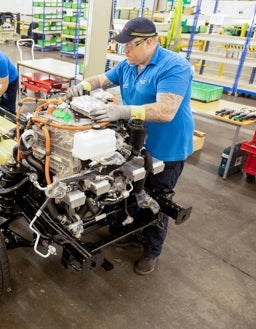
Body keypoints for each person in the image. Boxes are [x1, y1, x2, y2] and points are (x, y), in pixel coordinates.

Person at [66, 17, 195, 275]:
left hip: (166, 147)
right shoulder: (129, 64)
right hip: (135, 144)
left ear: (149, 42)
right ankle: (129, 231)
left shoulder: (174, 66)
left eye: (129, 46)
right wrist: (83, 85)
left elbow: (165, 110)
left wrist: (119, 111)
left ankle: (151, 250)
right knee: (129, 190)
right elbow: (102, 79)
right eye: (122, 46)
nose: (124, 51)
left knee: (156, 201)